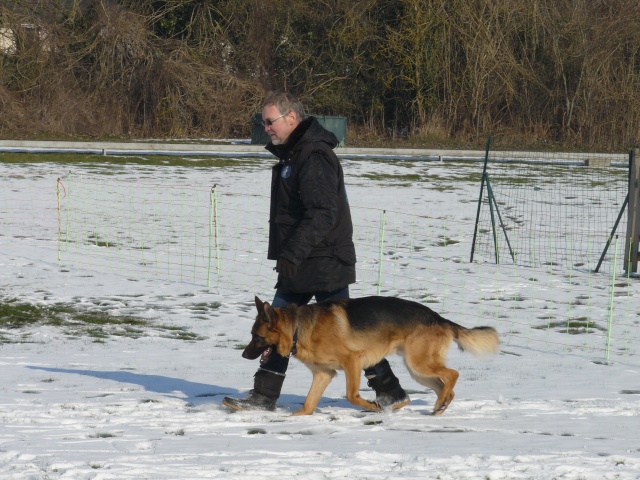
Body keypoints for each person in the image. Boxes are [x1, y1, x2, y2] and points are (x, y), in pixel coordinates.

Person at [223, 91, 409, 412]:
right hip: (305, 261)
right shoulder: (295, 154)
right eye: (263, 122)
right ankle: (264, 397)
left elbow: (322, 212)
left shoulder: (313, 156)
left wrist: (292, 254)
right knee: (280, 328)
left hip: (323, 262)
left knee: (332, 335)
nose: (265, 127)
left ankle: (389, 394)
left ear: (290, 118)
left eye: (270, 121)